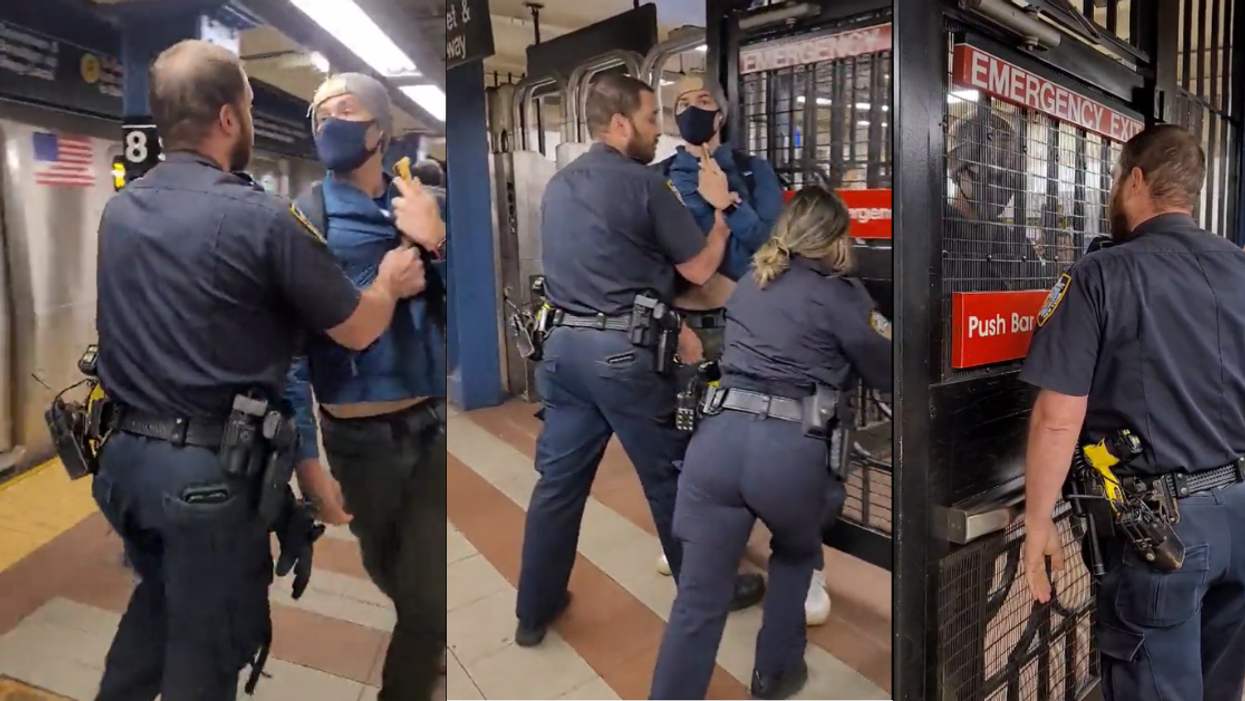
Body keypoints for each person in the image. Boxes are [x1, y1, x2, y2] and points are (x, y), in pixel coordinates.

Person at [90, 41, 424, 701]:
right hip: (206, 484)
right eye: (245, 102)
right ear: (226, 118)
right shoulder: (261, 218)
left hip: (124, 466)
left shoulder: (120, 211)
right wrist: (387, 281)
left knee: (158, 607)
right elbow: (356, 327)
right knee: (207, 651)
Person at [514, 73, 765, 648]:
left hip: (564, 354)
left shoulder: (558, 186)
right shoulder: (643, 185)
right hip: (627, 357)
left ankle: (535, 608)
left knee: (557, 484)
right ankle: (708, 590)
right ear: (621, 123)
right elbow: (698, 271)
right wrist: (722, 222)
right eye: (653, 119)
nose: (660, 133)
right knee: (672, 477)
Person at [1019, 124, 1245, 701]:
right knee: (1219, 683)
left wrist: (1038, 523)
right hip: (1241, 515)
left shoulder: (1099, 276)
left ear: (1136, 180)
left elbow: (1057, 419)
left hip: (1163, 533)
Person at [649, 186, 892, 700]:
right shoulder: (841, 295)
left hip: (715, 445)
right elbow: (888, 369)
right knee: (795, 555)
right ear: (836, 239)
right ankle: (775, 675)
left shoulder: (750, 284)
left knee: (697, 598)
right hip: (788, 451)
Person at [653, 75, 840, 625]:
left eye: (703, 101)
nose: (692, 109)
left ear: (722, 113)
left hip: (754, 329)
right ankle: (696, 547)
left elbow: (777, 242)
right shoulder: (661, 179)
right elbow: (651, 253)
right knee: (689, 441)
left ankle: (807, 570)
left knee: (776, 444)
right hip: (689, 327)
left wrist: (726, 203)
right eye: (681, 103)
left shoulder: (755, 172)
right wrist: (671, 317)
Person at [284, 73, 447, 701]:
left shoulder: (425, 201)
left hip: (431, 422)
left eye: (344, 110)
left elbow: (473, 301)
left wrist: (435, 238)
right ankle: (423, 633)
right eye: (318, 112)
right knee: (389, 567)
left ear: (379, 129)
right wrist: (308, 463)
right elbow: (291, 357)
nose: (328, 122)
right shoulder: (306, 219)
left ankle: (406, 678)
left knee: (428, 591)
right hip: (356, 438)